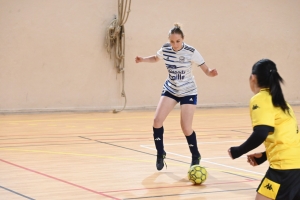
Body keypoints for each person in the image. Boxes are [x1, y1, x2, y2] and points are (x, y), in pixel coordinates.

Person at [135, 23, 218, 171]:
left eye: (178, 41)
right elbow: (155, 58)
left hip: (188, 91)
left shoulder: (191, 51)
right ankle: (160, 153)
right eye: (172, 41)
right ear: (169, 40)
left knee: (186, 128)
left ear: (183, 39)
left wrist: (211, 72)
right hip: (171, 89)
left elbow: (206, 69)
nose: (175, 44)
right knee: (157, 120)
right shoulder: (166, 49)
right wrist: (142, 59)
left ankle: (195, 155)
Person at [228, 59, 300, 200]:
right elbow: (288, 137)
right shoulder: (282, 102)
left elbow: (261, 132)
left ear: (253, 78)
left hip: (283, 169)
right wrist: (265, 156)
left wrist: (238, 151)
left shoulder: (260, 99)